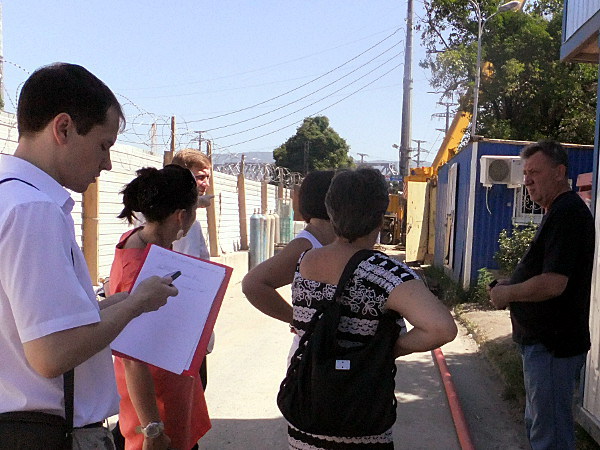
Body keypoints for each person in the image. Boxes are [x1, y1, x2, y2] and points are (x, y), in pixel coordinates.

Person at [0, 63, 178, 450]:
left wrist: (120, 302)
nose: (108, 163)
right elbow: (52, 353)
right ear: (63, 128)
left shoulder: (10, 197)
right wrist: (137, 305)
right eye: (103, 145)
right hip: (47, 434)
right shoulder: (34, 209)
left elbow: (24, 324)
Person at [284, 168, 457, 448]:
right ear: (380, 216)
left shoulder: (305, 261)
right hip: (359, 420)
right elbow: (442, 329)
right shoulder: (385, 273)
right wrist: (386, 349)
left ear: (331, 211)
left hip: (308, 410)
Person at [489, 140, 594, 450]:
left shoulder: (567, 213)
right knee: (541, 426)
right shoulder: (557, 212)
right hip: (544, 345)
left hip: (552, 346)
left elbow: (553, 283)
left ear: (559, 172)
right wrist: (511, 283)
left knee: (551, 436)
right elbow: (547, 272)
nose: (527, 180)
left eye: (535, 172)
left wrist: (507, 294)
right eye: (526, 174)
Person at [110, 164, 211, 450]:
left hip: (170, 390)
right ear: (181, 216)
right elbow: (133, 360)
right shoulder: (138, 270)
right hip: (155, 407)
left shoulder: (145, 242)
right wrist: (152, 430)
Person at [242, 170, 336, 359]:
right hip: (312, 358)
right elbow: (253, 284)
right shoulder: (306, 245)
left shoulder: (331, 241)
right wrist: (297, 318)